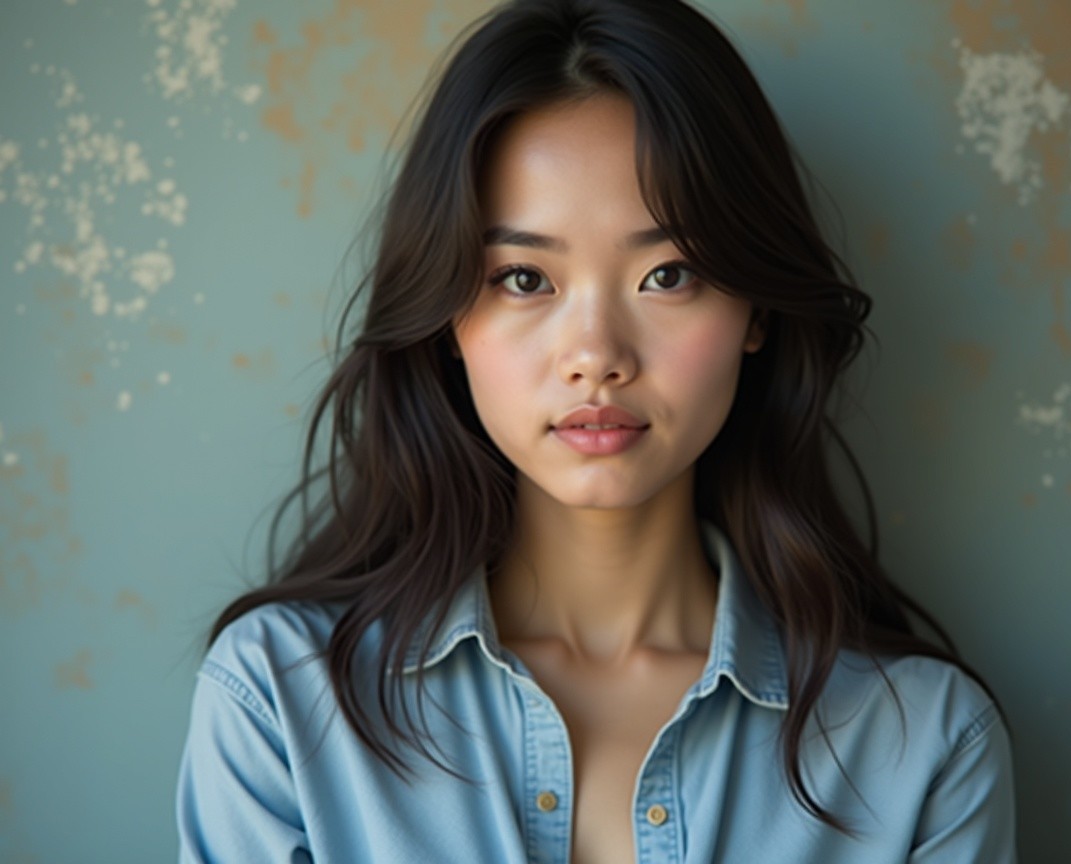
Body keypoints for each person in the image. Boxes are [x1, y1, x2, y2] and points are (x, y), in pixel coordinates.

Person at [176, 0, 1016, 861]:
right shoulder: (278, 701)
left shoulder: (922, 746)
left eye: (668, 273)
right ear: (445, 321)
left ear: (755, 309)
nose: (596, 356)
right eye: (524, 279)